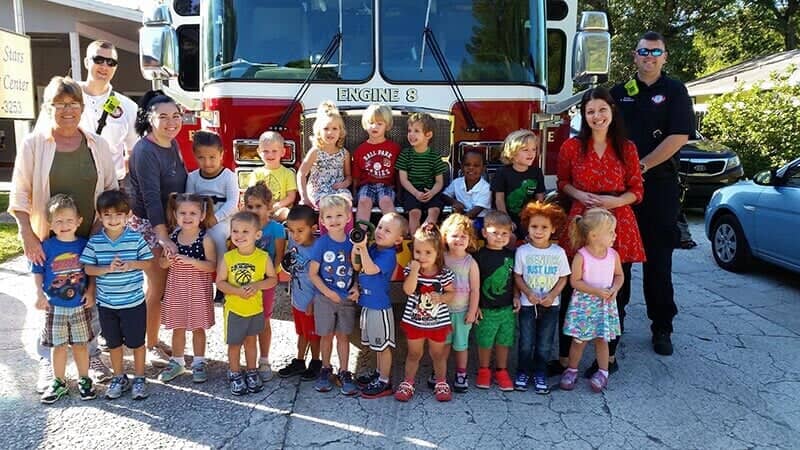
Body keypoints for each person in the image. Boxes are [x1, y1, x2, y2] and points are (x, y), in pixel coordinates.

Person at [9, 75, 118, 392]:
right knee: (51, 303)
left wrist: (104, 227)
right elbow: (20, 194)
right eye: (60, 104)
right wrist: (28, 235)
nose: (67, 110)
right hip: (50, 241)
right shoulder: (34, 144)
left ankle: (93, 356)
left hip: (90, 238)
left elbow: (110, 189)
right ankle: (49, 363)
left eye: (73, 104)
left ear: (82, 107)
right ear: (48, 107)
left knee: (88, 301)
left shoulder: (97, 144)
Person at [610, 31, 695, 355]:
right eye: (643, 51)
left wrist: (640, 167)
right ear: (634, 56)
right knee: (619, 260)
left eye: (655, 51)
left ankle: (662, 327)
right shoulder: (619, 93)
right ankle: (613, 325)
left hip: (659, 186)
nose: (649, 56)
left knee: (658, 261)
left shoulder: (674, 91)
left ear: (664, 56)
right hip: (621, 189)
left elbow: (678, 137)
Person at [555, 87, 645, 378]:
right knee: (572, 287)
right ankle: (565, 356)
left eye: (601, 110)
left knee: (617, 291)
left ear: (612, 111)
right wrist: (580, 194)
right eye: (590, 111)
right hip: (582, 219)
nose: (596, 116)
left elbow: (637, 189)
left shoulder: (627, 147)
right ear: (584, 115)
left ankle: (609, 356)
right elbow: (563, 183)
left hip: (617, 222)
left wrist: (616, 201)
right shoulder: (571, 147)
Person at [128, 90, 188, 367]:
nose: (171, 122)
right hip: (150, 226)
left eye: (175, 116)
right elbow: (152, 199)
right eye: (163, 117)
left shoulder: (172, 144)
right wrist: (163, 238)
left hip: (170, 222)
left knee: (164, 288)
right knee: (157, 287)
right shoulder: (145, 151)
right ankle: (149, 344)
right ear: (148, 119)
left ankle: (153, 337)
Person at [80, 190, 154, 400]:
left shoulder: (135, 238)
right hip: (107, 304)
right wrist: (107, 269)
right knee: (113, 344)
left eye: (118, 214)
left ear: (128, 215)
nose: (113, 220)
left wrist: (131, 264)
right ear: (100, 216)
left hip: (133, 303)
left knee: (137, 342)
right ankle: (119, 377)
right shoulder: (95, 242)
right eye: (108, 215)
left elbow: (148, 262)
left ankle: (139, 378)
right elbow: (88, 269)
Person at [34, 195, 96, 403]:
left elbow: (91, 271)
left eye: (69, 220)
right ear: (50, 224)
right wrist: (38, 293)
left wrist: (90, 291)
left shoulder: (84, 245)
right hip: (54, 306)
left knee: (80, 345)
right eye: (58, 221)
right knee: (58, 346)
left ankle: (84, 378)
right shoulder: (47, 246)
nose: (64, 225)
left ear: (79, 221)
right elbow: (38, 271)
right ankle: (59, 381)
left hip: (79, 305)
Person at [559, 208, 624, 393]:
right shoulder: (582, 256)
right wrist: (595, 290)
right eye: (610, 232)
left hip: (604, 304)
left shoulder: (613, 255)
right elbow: (575, 281)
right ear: (594, 235)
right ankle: (572, 369)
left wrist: (614, 288)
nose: (615, 235)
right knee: (579, 340)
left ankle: (603, 372)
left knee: (602, 340)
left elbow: (619, 275)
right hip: (585, 304)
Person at [216, 211, 278, 396]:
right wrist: (236, 291)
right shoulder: (229, 258)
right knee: (234, 345)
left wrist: (257, 284)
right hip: (235, 310)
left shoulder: (262, 257)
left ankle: (251, 371)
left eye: (245, 231)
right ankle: (234, 373)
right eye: (235, 231)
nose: (239, 236)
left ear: (257, 235)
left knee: (251, 342)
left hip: (254, 309)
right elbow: (220, 282)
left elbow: (273, 279)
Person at [157, 194, 217, 384]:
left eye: (193, 213)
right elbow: (162, 264)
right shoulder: (172, 237)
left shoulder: (204, 238)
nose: (187, 216)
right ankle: (177, 361)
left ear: (202, 215)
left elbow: (212, 266)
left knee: (198, 327)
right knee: (178, 326)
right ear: (175, 214)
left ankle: (199, 362)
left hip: (198, 290)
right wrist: (166, 259)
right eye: (182, 212)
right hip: (177, 289)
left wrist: (191, 261)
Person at [513, 202, 570, 394]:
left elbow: (564, 277)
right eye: (534, 226)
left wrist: (553, 295)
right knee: (526, 342)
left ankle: (540, 372)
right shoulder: (522, 251)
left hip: (551, 304)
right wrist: (528, 292)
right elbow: (517, 276)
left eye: (544, 227)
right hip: (528, 304)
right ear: (527, 227)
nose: (538, 231)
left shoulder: (558, 252)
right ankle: (523, 371)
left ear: (553, 228)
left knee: (545, 343)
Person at [395, 223, 455, 403]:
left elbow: (452, 294)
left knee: (439, 354)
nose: (422, 257)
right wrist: (414, 271)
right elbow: (408, 290)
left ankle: (441, 382)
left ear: (438, 253)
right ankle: (408, 383)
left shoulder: (444, 273)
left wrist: (442, 298)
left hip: (438, 323)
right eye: (418, 252)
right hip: (415, 322)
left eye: (428, 252)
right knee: (414, 354)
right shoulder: (411, 269)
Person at [351, 212, 408, 399]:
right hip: (368, 304)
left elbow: (371, 269)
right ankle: (378, 373)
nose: (381, 231)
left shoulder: (389, 255)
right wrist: (358, 248)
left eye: (388, 230)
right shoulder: (375, 248)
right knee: (376, 345)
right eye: (380, 227)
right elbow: (358, 267)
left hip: (379, 307)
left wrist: (363, 249)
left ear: (398, 239)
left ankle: (384, 381)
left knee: (383, 347)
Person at [308, 194, 359, 395]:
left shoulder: (352, 244)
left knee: (344, 336)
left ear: (348, 218)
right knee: (326, 336)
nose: (334, 220)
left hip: (346, 298)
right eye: (329, 217)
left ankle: (345, 371)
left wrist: (356, 287)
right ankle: (325, 368)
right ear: (322, 221)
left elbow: (357, 270)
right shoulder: (321, 244)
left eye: (339, 215)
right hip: (324, 298)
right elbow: (313, 273)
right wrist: (328, 293)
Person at [78, 40, 138, 187]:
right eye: (98, 60)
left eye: (111, 62)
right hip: (73, 181)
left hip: (111, 187)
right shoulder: (67, 96)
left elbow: (133, 153)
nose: (104, 66)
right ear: (86, 62)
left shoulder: (128, 107)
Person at [244, 182, 287, 382]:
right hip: (244, 279)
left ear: (269, 207)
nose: (254, 211)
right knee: (245, 319)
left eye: (258, 206)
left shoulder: (276, 229)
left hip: (266, 281)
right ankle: (248, 361)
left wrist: (270, 276)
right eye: (250, 207)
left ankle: (264, 359)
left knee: (264, 320)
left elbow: (279, 256)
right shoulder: (242, 226)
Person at [472, 211, 518, 392]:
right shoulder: (478, 256)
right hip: (486, 309)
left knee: (504, 341)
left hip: (507, 309)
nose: (499, 237)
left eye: (504, 234)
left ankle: (501, 370)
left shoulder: (511, 255)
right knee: (485, 342)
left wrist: (515, 296)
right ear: (484, 233)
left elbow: (514, 278)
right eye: (494, 233)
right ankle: (484, 370)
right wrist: (474, 306)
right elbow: (473, 285)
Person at [276, 205, 322, 381]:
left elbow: (324, 277)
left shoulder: (318, 248)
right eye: (292, 231)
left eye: (300, 231)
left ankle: (316, 362)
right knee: (301, 333)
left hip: (312, 301)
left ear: (313, 229)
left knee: (314, 335)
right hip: (297, 300)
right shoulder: (295, 241)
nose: (295, 235)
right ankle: (300, 360)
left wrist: (315, 300)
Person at [185, 130, 239, 267]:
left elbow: (232, 202)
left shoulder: (228, 176)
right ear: (195, 156)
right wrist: (196, 219)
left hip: (224, 220)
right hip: (199, 219)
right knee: (181, 234)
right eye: (201, 158)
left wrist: (215, 218)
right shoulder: (193, 177)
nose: (207, 162)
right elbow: (189, 202)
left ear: (221, 154)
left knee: (217, 236)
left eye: (212, 157)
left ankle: (222, 271)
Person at [440, 213, 480, 393]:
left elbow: (475, 289)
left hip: (462, 311)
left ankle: (461, 373)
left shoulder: (470, 262)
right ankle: (439, 372)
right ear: (445, 236)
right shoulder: (441, 258)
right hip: (441, 311)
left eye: (464, 236)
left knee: (461, 345)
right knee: (443, 345)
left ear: (470, 239)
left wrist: (472, 311)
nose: (459, 239)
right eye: (454, 235)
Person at [396, 112, 448, 234]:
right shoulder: (405, 155)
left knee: (434, 211)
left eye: (416, 131)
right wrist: (416, 193)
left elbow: (439, 182)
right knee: (414, 213)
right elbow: (403, 179)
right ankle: (415, 241)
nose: (411, 134)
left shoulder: (435, 157)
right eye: (409, 131)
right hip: (411, 191)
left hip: (430, 191)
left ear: (428, 134)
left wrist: (432, 193)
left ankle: (425, 236)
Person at [491, 130, 546, 243]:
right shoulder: (502, 172)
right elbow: (499, 200)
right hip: (506, 217)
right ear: (513, 153)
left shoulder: (536, 172)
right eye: (525, 150)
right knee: (510, 239)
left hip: (529, 218)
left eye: (534, 149)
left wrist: (534, 220)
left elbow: (539, 198)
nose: (531, 154)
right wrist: (507, 221)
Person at [297, 101, 353, 210]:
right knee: (328, 206)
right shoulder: (315, 152)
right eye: (326, 129)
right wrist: (304, 197)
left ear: (340, 132)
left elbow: (348, 176)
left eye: (334, 129)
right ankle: (325, 227)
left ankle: (347, 227)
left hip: (338, 190)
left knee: (346, 205)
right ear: (318, 131)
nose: (330, 133)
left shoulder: (344, 153)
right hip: (319, 190)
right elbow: (301, 174)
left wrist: (344, 184)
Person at [352, 104, 401, 223]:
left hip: (386, 185)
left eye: (380, 123)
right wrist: (354, 193)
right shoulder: (360, 149)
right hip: (366, 185)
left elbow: (399, 173)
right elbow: (356, 175)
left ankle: (393, 232)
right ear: (365, 124)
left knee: (386, 201)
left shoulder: (394, 148)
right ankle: (360, 234)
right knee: (363, 201)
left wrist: (400, 193)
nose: (374, 126)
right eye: (371, 122)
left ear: (387, 126)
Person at [246, 131, 298, 222]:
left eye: (274, 151)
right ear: (259, 152)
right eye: (265, 151)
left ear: (282, 152)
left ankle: (271, 222)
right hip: (260, 209)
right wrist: (263, 208)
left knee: (286, 212)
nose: (270, 155)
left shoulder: (288, 173)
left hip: (279, 209)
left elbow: (291, 197)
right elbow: (252, 194)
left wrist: (276, 206)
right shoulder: (256, 173)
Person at [442, 150, 491, 233]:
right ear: (461, 167)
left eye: (476, 165)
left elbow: (474, 213)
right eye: (467, 165)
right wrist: (454, 202)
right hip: (460, 216)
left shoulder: (486, 188)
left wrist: (457, 223)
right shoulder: (457, 182)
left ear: (483, 168)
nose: (471, 168)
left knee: (468, 228)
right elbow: (444, 195)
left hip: (479, 219)